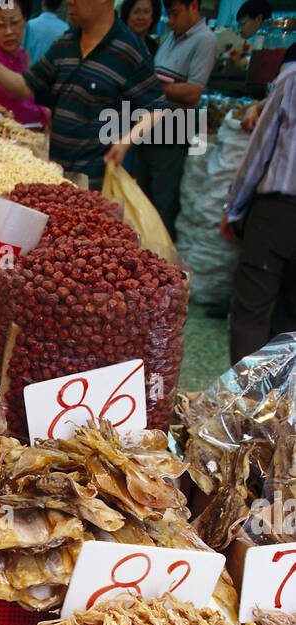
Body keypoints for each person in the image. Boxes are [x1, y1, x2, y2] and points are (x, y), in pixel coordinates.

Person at [0, 0, 167, 188]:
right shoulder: (65, 43)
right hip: (56, 175)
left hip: (95, 182)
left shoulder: (129, 49)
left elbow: (156, 108)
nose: (69, 1)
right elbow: (25, 87)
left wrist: (125, 142)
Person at [221, 53, 296, 363]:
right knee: (291, 315)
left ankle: (250, 406)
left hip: (280, 212)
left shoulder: (291, 80)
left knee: (251, 311)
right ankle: (281, 406)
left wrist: (234, 209)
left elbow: (258, 152)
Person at [130, 0, 217, 237]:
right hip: (149, 123)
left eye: (175, 13)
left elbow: (192, 92)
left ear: (194, 6)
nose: (170, 19)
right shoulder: (171, 36)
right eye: (168, 13)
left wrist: (155, 88)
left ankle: (158, 255)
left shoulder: (204, 40)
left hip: (175, 126)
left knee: (162, 199)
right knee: (140, 195)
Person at [0, 0, 52, 126]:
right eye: (1, 25)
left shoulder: (23, 54)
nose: (8, 32)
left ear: (25, 20)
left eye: (15, 22)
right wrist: (46, 113)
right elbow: (17, 112)